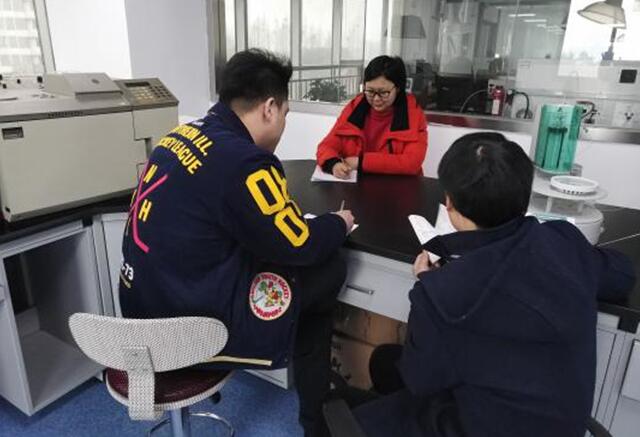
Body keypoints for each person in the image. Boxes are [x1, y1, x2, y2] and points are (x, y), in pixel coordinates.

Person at [118, 48, 355, 437]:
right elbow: (299, 244)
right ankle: (315, 419)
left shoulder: (178, 135)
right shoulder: (245, 161)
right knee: (327, 270)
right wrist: (337, 223)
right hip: (188, 328)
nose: (283, 125)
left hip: (139, 312)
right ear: (269, 108)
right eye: (286, 114)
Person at [352, 132, 635, 437]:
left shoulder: (443, 292)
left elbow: (420, 380)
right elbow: (622, 275)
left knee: (358, 406)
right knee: (385, 361)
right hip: (556, 426)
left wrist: (428, 281)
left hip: (475, 425)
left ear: (449, 203)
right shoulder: (563, 242)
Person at [316, 55, 427, 178]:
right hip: (358, 185)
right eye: (370, 91)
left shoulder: (413, 114)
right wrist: (333, 164)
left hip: (399, 185)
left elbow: (411, 163)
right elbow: (326, 146)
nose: (376, 99)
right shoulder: (355, 109)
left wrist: (361, 162)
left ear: (398, 88)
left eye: (383, 92)